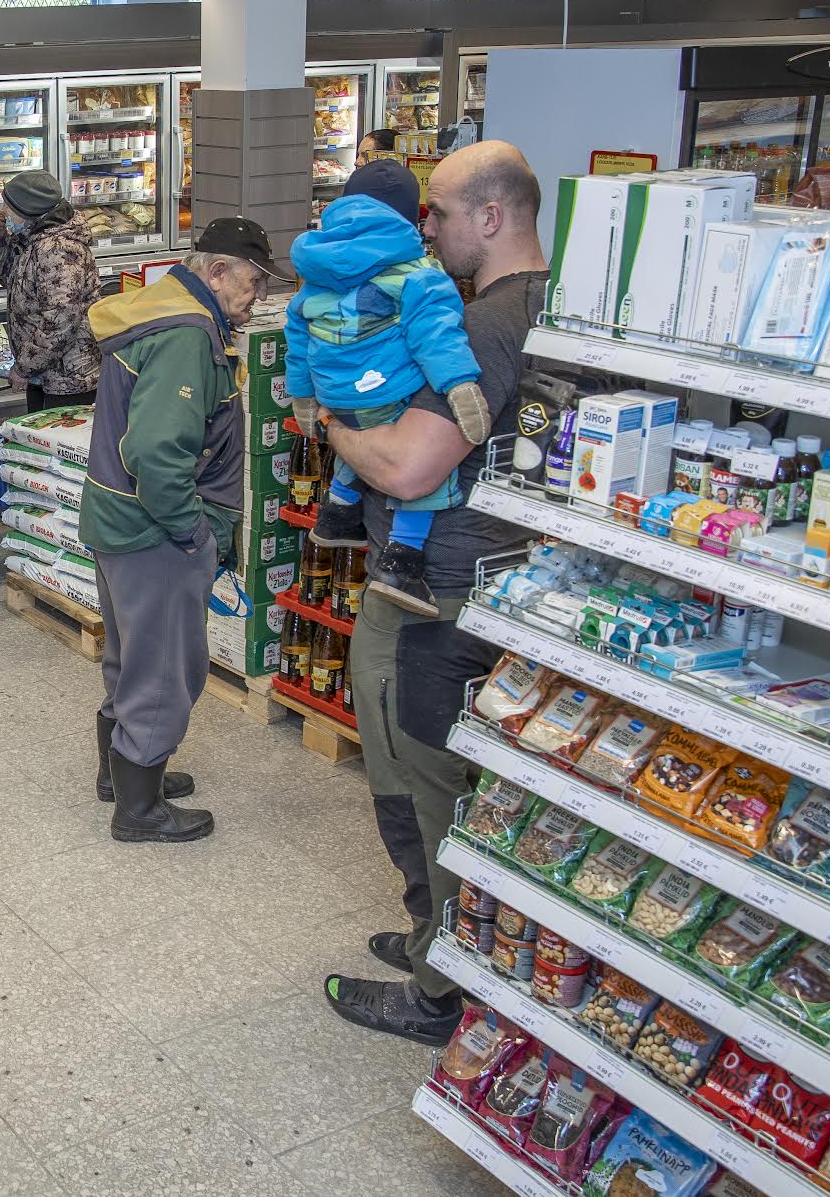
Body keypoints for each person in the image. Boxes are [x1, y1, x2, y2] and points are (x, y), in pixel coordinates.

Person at [319, 140, 549, 1044]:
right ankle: (439, 942)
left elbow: (411, 467)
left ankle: (436, 987)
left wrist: (338, 431)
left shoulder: (485, 326)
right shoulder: (552, 302)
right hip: (500, 582)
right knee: (454, 785)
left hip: (431, 599)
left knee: (418, 788)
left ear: (490, 217)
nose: (428, 228)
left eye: (441, 212)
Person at [81, 217, 288, 843]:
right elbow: (156, 450)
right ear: (217, 272)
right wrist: (193, 532)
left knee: (130, 656)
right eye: (252, 284)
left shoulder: (158, 312)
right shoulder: (188, 336)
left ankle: (122, 775)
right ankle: (139, 809)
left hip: (119, 523)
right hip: (156, 536)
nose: (256, 299)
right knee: (165, 668)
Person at [289, 159, 490, 618]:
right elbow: (437, 336)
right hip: (384, 391)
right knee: (423, 471)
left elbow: (295, 339)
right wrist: (460, 386)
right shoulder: (419, 274)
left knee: (359, 442)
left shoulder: (315, 274)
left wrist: (304, 398)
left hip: (334, 394)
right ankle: (403, 558)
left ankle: (339, 509)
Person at [0, 171, 102, 413]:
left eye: (9, 208)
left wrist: (23, 368)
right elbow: (13, 279)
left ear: (29, 212)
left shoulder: (58, 250)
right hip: (46, 373)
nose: (4, 213)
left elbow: (60, 322)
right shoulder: (35, 238)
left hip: (68, 380)